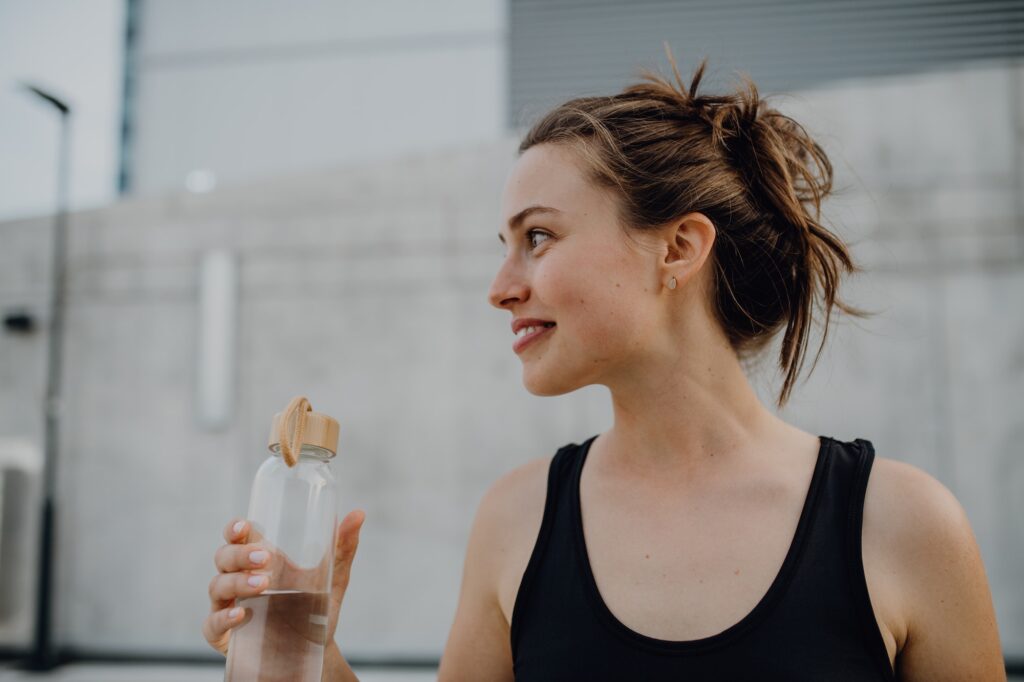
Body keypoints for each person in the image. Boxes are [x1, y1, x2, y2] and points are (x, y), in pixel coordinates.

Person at [203, 48, 1007, 680]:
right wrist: (310, 663)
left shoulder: (903, 525)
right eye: (505, 246)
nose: (500, 288)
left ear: (679, 248)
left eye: (539, 237)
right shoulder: (515, 522)